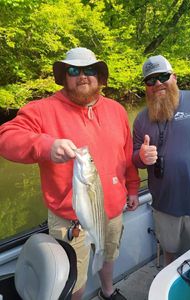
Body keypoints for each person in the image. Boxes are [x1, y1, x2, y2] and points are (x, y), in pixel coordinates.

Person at [0, 47, 140, 300]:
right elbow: (6, 138)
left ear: (100, 76)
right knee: (74, 280)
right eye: (74, 70)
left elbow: (126, 155)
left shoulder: (117, 110)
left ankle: (108, 292)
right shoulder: (42, 110)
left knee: (109, 255)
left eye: (90, 70)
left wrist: (132, 188)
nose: (82, 76)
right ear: (64, 76)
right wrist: (45, 145)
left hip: (113, 210)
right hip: (69, 221)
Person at [132, 54, 190, 266]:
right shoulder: (141, 119)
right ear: (146, 86)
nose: (157, 84)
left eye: (163, 76)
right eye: (150, 80)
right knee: (170, 252)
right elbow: (135, 159)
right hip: (164, 204)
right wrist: (141, 156)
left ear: (174, 77)